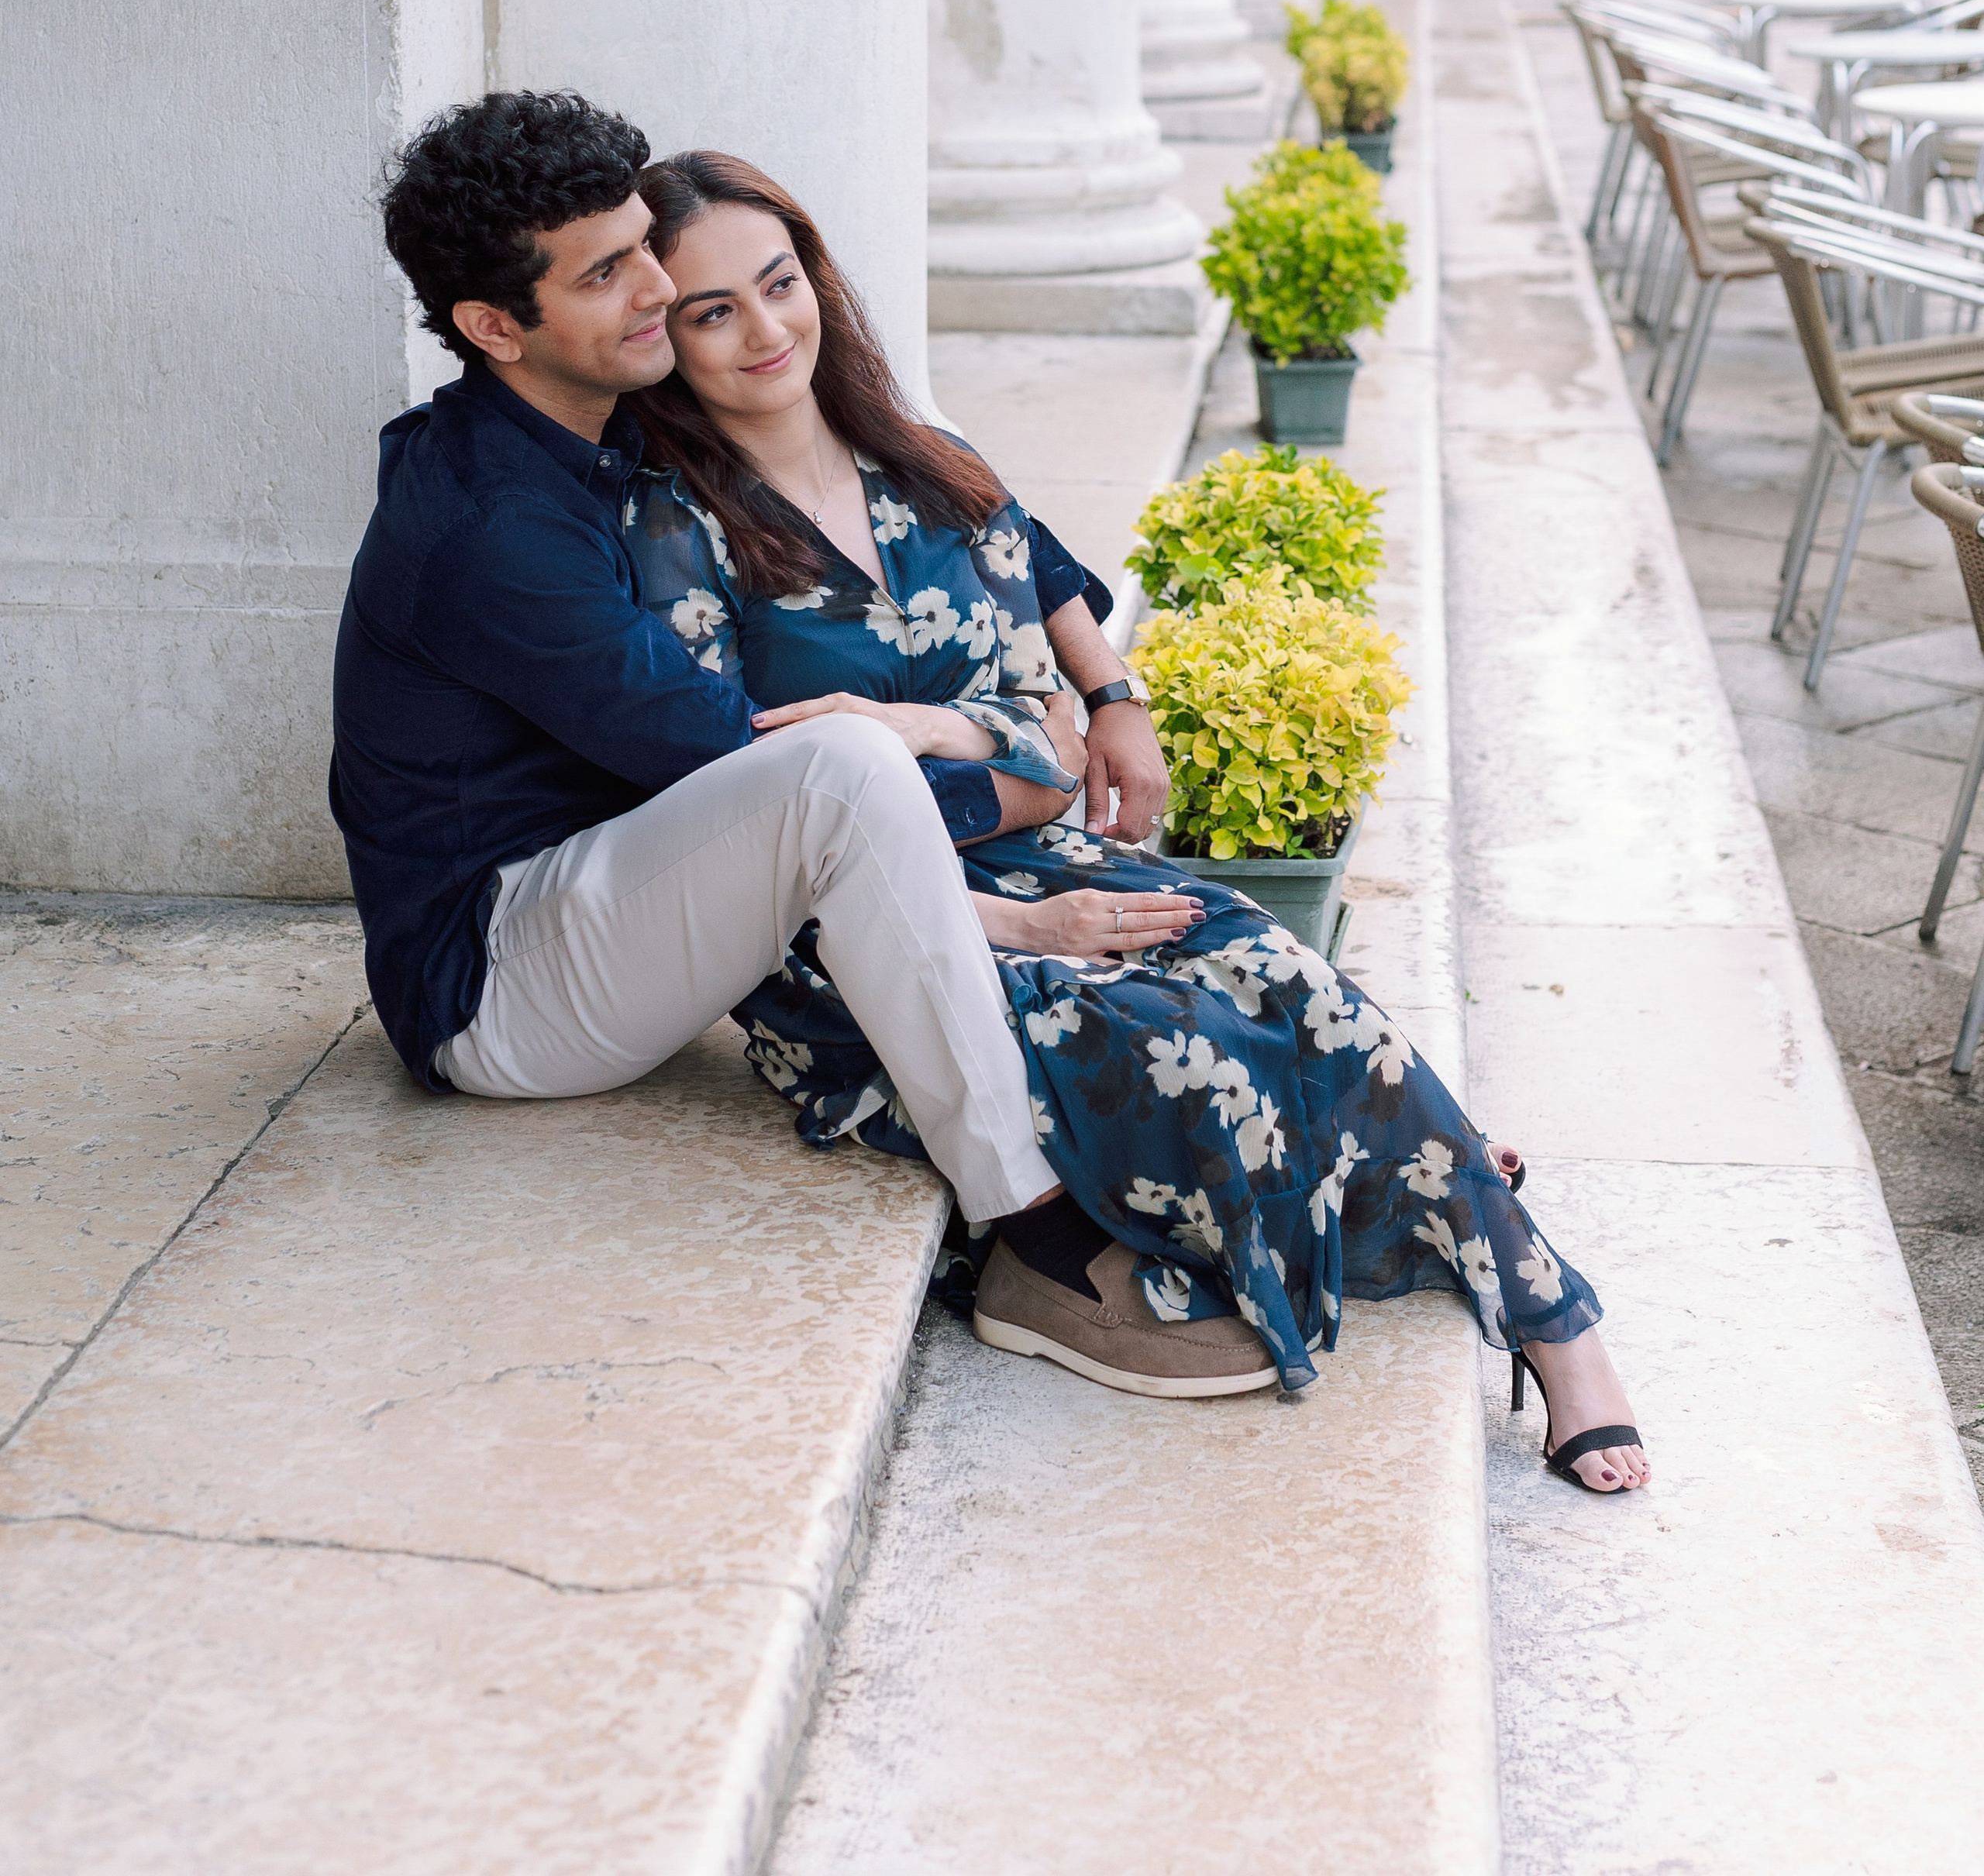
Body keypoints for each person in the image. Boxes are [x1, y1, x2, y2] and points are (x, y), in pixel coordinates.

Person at [623, 150, 1649, 1492]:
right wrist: (1017, 890)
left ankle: (1560, 1328)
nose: (767, 331)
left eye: (780, 284)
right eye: (714, 312)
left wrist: (1024, 712)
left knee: (1284, 976)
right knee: (1172, 1042)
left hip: (1038, 847)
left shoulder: (924, 462)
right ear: (668, 339)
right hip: (864, 942)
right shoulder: (675, 532)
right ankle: (1371, 1160)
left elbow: (1044, 658)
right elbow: (735, 804)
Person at [329, 90, 1217, 1394]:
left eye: (644, 247)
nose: (655, 291)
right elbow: (755, 765)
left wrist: (1108, 684)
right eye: (607, 274)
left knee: (869, 759)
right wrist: (1018, 780)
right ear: (492, 327)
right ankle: (1031, 1235)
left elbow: (958, 487)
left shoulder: (607, 411)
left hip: (634, 883)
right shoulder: (489, 529)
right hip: (501, 981)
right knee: (844, 761)